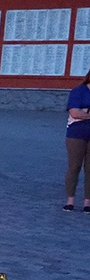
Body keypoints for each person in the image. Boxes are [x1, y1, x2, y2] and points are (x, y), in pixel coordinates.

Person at [63, 69, 90, 212]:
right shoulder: (78, 91)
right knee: (74, 167)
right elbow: (74, 113)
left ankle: (87, 203)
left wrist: (85, 112)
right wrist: (84, 114)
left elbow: (80, 113)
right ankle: (70, 200)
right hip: (76, 134)